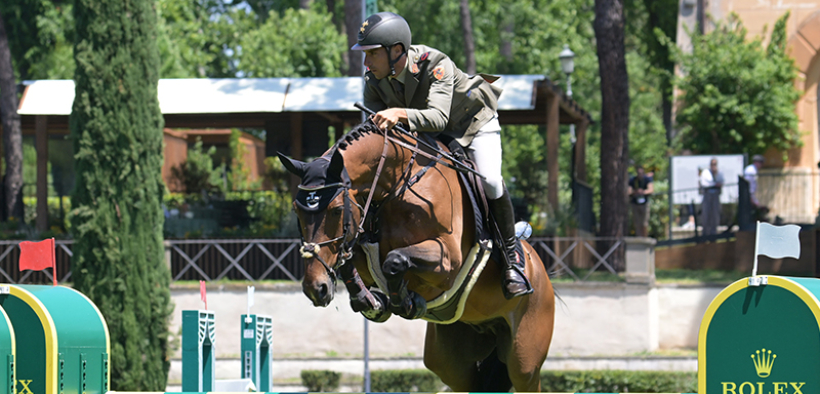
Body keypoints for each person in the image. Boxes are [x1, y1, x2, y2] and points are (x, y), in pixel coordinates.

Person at [351, 12, 531, 299]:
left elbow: (437, 118)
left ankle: (512, 260)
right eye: (364, 54)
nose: (366, 62)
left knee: (491, 181)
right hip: (429, 135)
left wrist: (398, 113)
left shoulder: (435, 64)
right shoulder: (374, 79)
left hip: (472, 124)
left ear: (396, 50)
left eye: (372, 53)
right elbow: (376, 130)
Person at [699, 158, 724, 236]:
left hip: (715, 195)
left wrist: (715, 175)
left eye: (715, 164)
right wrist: (714, 184)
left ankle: (714, 232)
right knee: (706, 213)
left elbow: (721, 181)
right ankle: (705, 232)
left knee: (715, 213)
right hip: (707, 194)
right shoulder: (705, 172)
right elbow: (704, 183)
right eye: (712, 164)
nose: (714, 166)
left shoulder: (719, 172)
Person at [627, 165, 654, 237]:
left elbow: (651, 190)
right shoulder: (633, 180)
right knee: (637, 223)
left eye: (641, 173)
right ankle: (638, 237)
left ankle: (644, 237)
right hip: (635, 204)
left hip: (644, 204)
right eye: (638, 173)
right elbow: (629, 191)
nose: (640, 174)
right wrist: (636, 192)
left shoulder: (647, 179)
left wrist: (643, 192)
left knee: (644, 223)